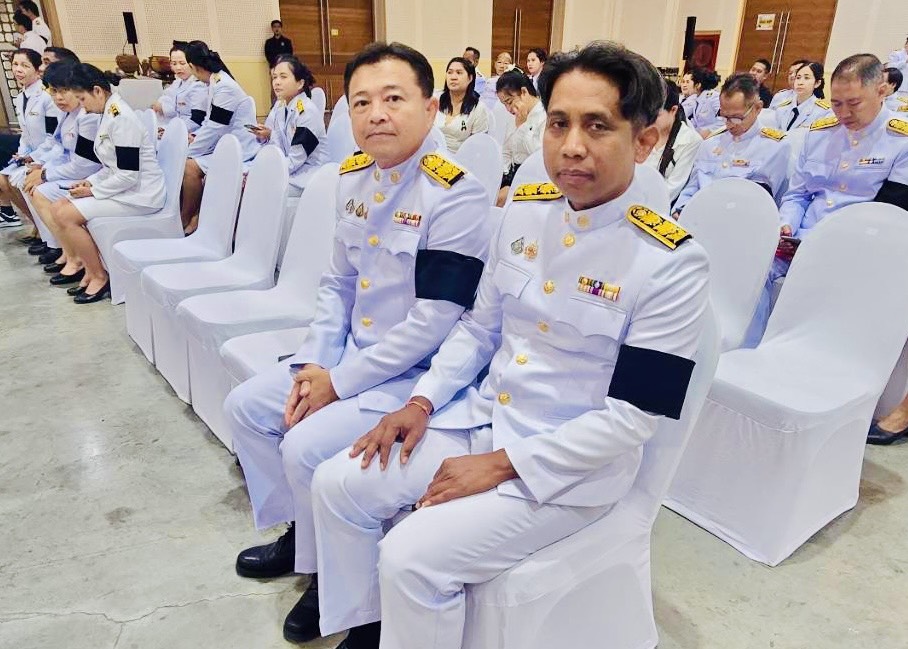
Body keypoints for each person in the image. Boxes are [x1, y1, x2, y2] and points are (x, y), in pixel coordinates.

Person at [304, 40, 709, 649]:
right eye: (559, 123)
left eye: (597, 126)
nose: (571, 146)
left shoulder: (671, 263)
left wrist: (502, 466)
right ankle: (370, 627)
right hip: (484, 417)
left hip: (565, 469)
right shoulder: (526, 212)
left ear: (645, 140)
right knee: (339, 484)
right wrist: (421, 402)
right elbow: (479, 330)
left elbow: (633, 419)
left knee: (411, 555)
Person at [224, 41, 491, 646]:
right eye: (362, 102)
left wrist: (338, 384)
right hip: (345, 358)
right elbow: (337, 285)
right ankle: (302, 537)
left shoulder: (456, 193)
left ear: (430, 107)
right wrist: (316, 364)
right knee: (248, 408)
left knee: (304, 446)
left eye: (394, 98)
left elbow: (436, 320)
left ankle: (341, 591)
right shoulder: (353, 178)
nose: (377, 114)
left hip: (411, 374)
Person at [749, 53, 908, 347]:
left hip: (859, 247)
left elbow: (889, 216)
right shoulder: (820, 133)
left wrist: (822, 244)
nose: (843, 113)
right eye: (836, 103)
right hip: (801, 239)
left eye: (854, 103)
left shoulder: (901, 140)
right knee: (752, 268)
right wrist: (785, 225)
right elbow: (798, 194)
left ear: (881, 91)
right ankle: (752, 351)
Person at [47, 63, 165, 303]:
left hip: (140, 195)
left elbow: (128, 174)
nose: (82, 106)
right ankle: (91, 271)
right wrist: (88, 182)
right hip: (123, 187)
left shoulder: (122, 119)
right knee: (58, 206)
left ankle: (99, 276)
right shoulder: (108, 113)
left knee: (66, 215)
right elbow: (111, 166)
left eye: (82, 99)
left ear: (98, 91)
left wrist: (93, 191)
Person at [21, 61, 101, 276]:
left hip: (89, 175)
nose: (59, 97)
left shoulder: (87, 117)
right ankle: (67, 250)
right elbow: (59, 148)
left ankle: (75, 256)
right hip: (74, 170)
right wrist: (41, 167)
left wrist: (45, 174)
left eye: (65, 90)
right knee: (31, 184)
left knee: (41, 192)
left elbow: (85, 165)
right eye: (54, 91)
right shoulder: (68, 114)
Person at [673, 73, 790, 216]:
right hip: (699, 216)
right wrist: (680, 209)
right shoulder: (710, 144)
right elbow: (692, 188)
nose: (729, 125)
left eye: (736, 118)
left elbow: (763, 204)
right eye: (724, 117)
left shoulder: (775, 147)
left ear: (757, 108)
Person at [181, 40, 261, 233]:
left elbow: (215, 128)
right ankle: (193, 217)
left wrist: (189, 150)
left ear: (193, 66)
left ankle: (186, 218)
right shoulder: (215, 82)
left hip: (240, 150)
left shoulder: (224, 86)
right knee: (188, 161)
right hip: (224, 144)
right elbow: (210, 122)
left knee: (189, 167)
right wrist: (194, 137)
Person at [249, 55, 327, 196]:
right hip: (293, 169)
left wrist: (264, 173)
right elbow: (279, 147)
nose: (277, 82)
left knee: (262, 189)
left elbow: (295, 159)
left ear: (300, 83)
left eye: (283, 77)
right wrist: (269, 136)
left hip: (310, 174)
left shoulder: (307, 112)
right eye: (274, 77)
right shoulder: (281, 106)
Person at [0, 48, 56, 230]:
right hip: (31, 154)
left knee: (22, 181)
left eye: (24, 65)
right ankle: (38, 226)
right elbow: (25, 134)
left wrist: (34, 157)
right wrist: (22, 154)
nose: (18, 70)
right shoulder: (20, 97)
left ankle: (48, 232)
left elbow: (53, 137)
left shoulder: (46, 96)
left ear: (37, 69)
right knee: (4, 179)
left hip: (48, 154)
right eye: (15, 64)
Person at [644, 79, 701, 203]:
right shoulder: (640, 131)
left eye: (655, 115)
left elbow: (673, 187)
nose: (648, 120)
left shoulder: (690, 140)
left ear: (673, 110)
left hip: (657, 204)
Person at [496, 70, 545, 205]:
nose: (508, 109)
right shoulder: (515, 115)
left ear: (524, 92)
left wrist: (523, 126)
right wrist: (504, 176)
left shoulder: (545, 116)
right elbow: (507, 150)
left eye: (509, 102)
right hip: (513, 173)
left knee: (500, 200)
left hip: (535, 177)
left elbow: (539, 157)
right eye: (504, 104)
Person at [434, 56, 490, 154]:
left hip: (461, 159)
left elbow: (478, 147)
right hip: (432, 157)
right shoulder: (436, 100)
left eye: (459, 73)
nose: (453, 77)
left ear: (470, 78)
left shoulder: (478, 108)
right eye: (450, 72)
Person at [151, 42, 207, 135]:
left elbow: (197, 120)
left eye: (182, 63)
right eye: (174, 63)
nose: (178, 68)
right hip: (178, 127)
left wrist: (171, 131)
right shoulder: (178, 82)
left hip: (193, 132)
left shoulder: (199, 85)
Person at [773, 61, 832, 131]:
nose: (800, 83)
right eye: (798, 78)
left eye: (806, 78)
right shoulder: (782, 108)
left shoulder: (824, 112)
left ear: (817, 83)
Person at [689, 67, 723, 136]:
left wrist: (710, 131)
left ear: (698, 85)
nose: (686, 85)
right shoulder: (696, 98)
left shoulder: (714, 97)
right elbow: (696, 122)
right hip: (698, 136)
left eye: (689, 82)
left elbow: (723, 120)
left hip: (712, 136)